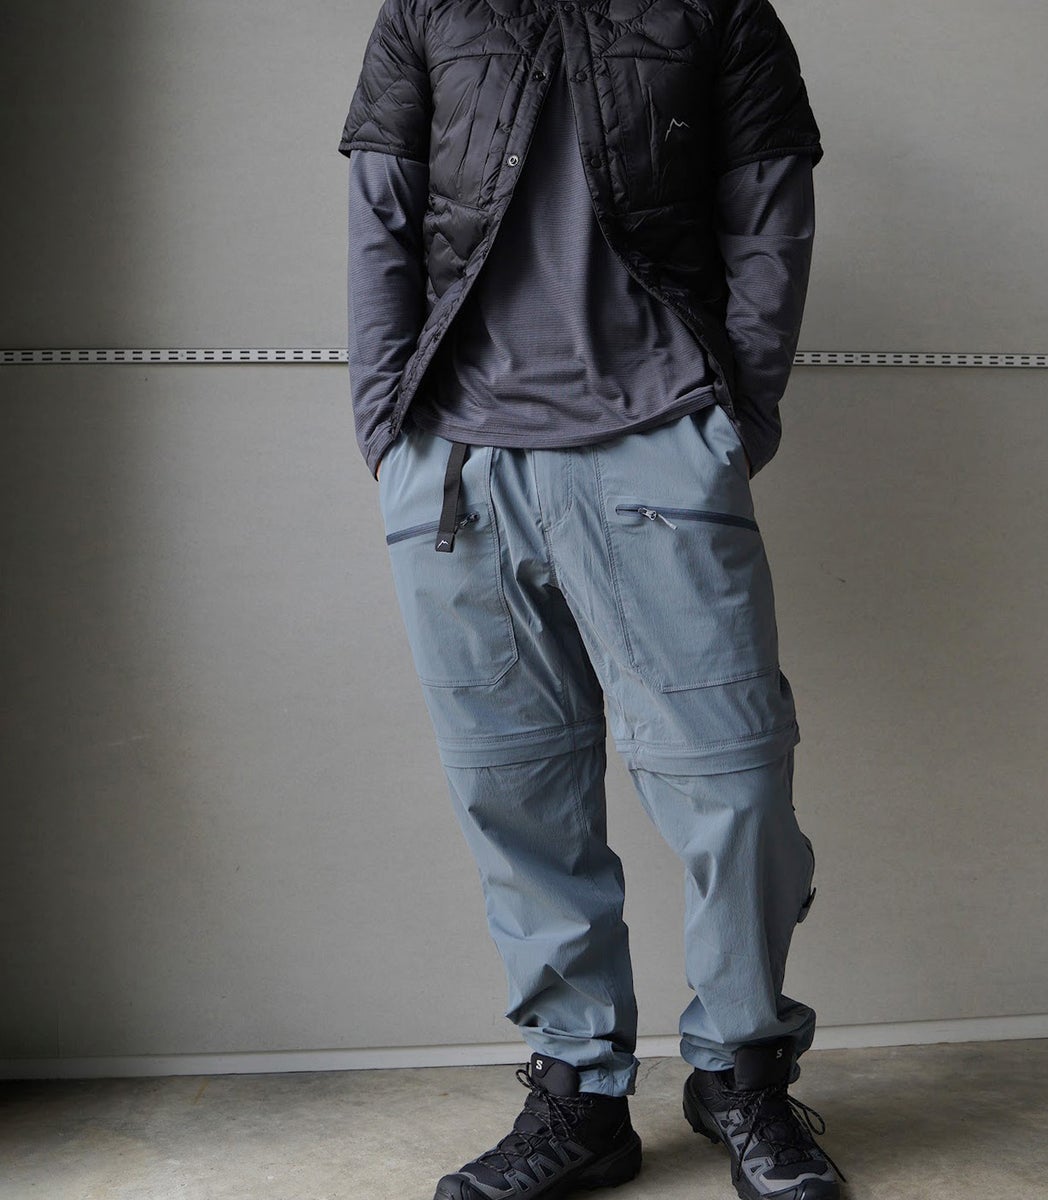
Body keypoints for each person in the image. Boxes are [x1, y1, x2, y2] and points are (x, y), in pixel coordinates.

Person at [339, 1, 844, 1197]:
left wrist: (730, 425)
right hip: (460, 465)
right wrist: (389, 430)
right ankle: (579, 1098)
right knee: (515, 794)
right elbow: (379, 217)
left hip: (658, 442)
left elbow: (771, 215)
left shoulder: (721, 10)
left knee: (735, 785)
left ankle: (743, 1076)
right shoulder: (428, 9)